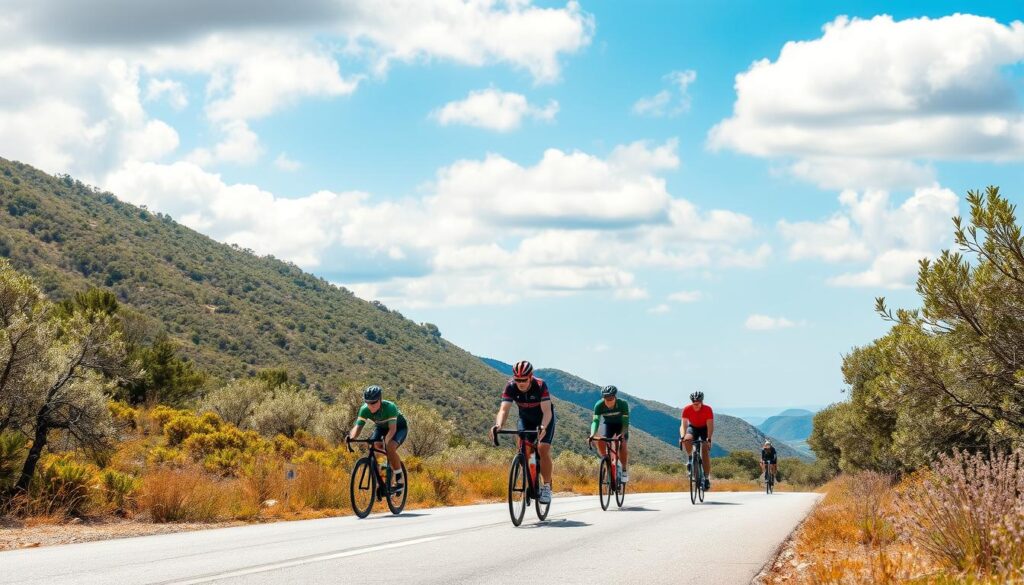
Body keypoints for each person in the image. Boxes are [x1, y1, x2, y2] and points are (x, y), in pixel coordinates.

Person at [490, 360, 555, 504]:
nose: (520, 382)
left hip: (544, 419)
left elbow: (547, 411)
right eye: (517, 379)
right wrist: (498, 425)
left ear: (530, 377)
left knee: (543, 449)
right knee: (523, 448)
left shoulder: (540, 385)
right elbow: (504, 409)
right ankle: (529, 475)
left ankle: (546, 487)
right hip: (525, 419)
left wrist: (543, 427)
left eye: (523, 380)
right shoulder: (510, 386)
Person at [348, 385, 408, 491]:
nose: (371, 406)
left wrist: (386, 442)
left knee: (390, 447)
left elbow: (392, 430)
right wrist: (351, 437)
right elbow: (358, 427)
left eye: (374, 402)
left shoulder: (390, 407)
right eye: (368, 402)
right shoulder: (364, 409)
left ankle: (399, 478)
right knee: (376, 448)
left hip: (399, 428)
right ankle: (384, 479)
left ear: (380, 399)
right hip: (381, 427)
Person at [589, 385, 630, 482]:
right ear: (603, 397)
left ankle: (624, 469)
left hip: (621, 426)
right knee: (600, 438)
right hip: (608, 425)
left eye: (611, 398)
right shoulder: (599, 405)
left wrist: (622, 434)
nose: (609, 401)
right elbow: (595, 421)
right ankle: (606, 460)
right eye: (606, 398)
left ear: (615, 397)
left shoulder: (623, 404)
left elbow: (625, 422)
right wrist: (592, 434)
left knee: (622, 443)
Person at [680, 390, 714, 490]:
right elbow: (683, 425)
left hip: (704, 428)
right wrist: (682, 436)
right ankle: (690, 459)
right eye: (694, 404)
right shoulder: (687, 409)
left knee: (704, 450)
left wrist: (708, 439)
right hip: (693, 427)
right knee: (687, 439)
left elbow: (710, 426)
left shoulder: (707, 409)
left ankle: (707, 478)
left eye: (698, 404)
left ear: (702, 402)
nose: (696, 406)